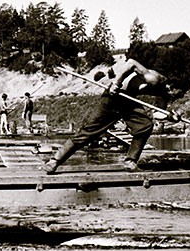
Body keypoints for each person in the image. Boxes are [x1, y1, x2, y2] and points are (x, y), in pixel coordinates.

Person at [43, 59, 179, 174]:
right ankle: (55, 160)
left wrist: (170, 117)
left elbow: (157, 114)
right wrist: (116, 83)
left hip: (128, 101)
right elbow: (131, 63)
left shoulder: (165, 95)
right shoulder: (155, 79)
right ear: (172, 87)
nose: (180, 96)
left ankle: (130, 161)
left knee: (145, 126)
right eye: (180, 92)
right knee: (89, 132)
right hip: (114, 95)